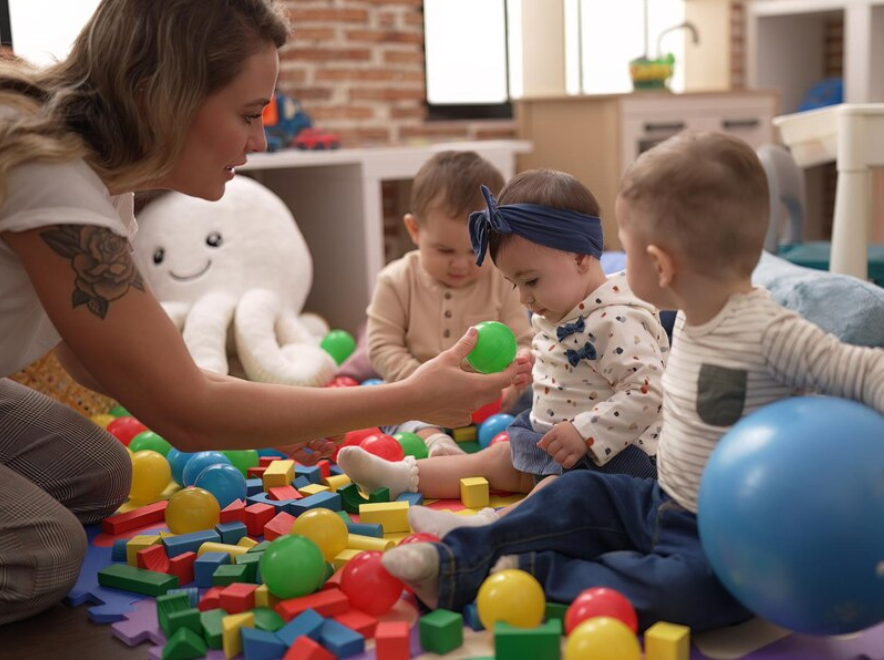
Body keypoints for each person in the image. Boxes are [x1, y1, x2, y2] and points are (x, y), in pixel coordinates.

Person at [0, 0, 527, 625]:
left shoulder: (104, 181)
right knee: (45, 552)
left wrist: (292, 416)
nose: (261, 138)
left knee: (101, 476)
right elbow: (185, 412)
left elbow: (103, 364)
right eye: (249, 114)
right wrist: (402, 397)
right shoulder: (47, 169)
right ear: (163, 95)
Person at [377, 132, 884, 632]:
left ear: (661, 263)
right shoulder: (687, 316)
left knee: (696, 594)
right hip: (658, 499)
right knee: (573, 493)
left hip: (726, 533)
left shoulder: (767, 330)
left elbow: (869, 367)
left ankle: (526, 577)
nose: (611, 264)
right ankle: (457, 557)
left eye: (623, 250)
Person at [337, 169, 668, 537]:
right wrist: (529, 365)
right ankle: (401, 476)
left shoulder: (617, 319)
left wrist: (585, 432)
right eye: (514, 283)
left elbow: (648, 392)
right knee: (495, 458)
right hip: (554, 442)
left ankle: (484, 528)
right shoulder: (563, 304)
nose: (523, 298)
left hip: (614, 457)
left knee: (559, 492)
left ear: (580, 258)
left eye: (530, 281)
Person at [366, 150, 532, 457]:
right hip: (419, 395)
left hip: (488, 399)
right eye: (444, 250)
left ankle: (514, 448)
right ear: (414, 231)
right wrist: (421, 386)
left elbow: (523, 340)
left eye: (474, 251)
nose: (460, 264)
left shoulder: (502, 280)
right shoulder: (396, 280)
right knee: (387, 407)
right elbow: (382, 347)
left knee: (539, 399)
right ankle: (436, 442)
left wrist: (515, 379)